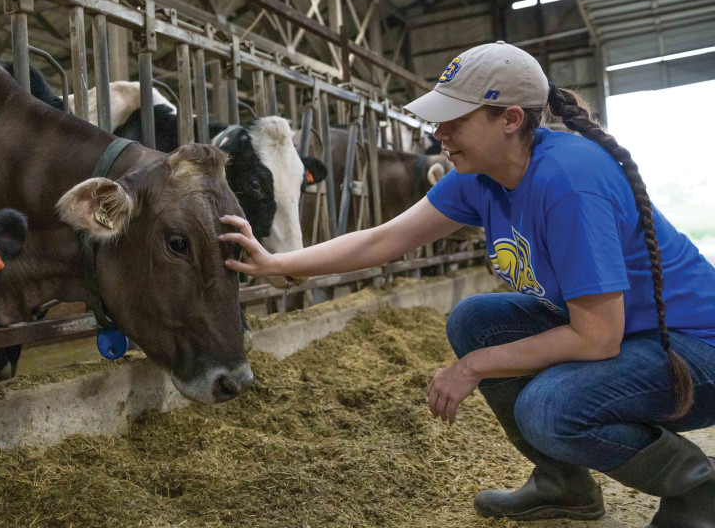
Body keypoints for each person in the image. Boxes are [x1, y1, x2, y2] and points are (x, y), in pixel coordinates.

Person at [218, 41, 715, 527]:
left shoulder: (568, 181)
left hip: (693, 352)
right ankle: (564, 485)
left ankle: (699, 492)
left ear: (511, 119)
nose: (439, 134)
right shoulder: (480, 174)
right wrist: (278, 261)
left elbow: (597, 337)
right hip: (631, 337)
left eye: (455, 121)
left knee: (550, 408)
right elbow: (383, 240)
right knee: (476, 320)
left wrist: (473, 367)